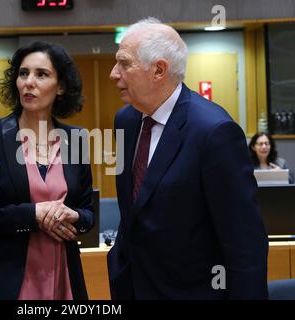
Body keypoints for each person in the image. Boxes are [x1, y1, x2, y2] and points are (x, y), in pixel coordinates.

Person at [107, 17, 268, 299]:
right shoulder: (125, 121)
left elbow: (244, 243)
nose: (113, 73)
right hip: (133, 287)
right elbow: (134, 210)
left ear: (159, 70)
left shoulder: (214, 132)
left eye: (124, 63)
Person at [0, 40, 94, 300]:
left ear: (60, 86)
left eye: (41, 74)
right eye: (23, 73)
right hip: (10, 279)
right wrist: (33, 215)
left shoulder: (76, 139)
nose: (29, 82)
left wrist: (72, 215)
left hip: (65, 277)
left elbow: (89, 214)